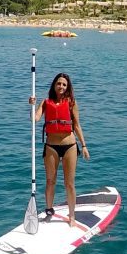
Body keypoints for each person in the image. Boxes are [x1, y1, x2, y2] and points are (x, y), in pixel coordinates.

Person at [29, 72, 90, 225]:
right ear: (54, 85)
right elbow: (34, 119)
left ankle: (72, 216)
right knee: (50, 181)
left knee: (69, 183)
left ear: (67, 87)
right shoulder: (45, 102)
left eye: (64, 84)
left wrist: (83, 145)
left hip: (69, 145)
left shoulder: (72, 103)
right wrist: (32, 106)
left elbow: (76, 125)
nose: (61, 86)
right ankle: (49, 211)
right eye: (58, 83)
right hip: (51, 147)